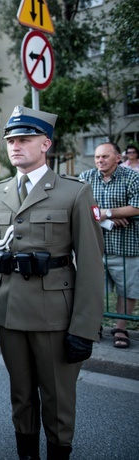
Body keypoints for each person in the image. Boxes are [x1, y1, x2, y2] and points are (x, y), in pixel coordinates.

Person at [0, 106, 104, 459]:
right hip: (7, 314)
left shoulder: (73, 193)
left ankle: (58, 452)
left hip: (55, 315)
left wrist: (84, 328)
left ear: (45, 143)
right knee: (20, 394)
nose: (15, 146)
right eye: (10, 140)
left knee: (57, 396)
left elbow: (92, 265)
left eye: (24, 139)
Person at [79, 142, 139, 349]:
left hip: (126, 246)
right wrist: (106, 217)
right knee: (93, 289)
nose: (100, 161)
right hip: (94, 246)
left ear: (118, 158)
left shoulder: (132, 177)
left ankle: (120, 328)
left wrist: (107, 212)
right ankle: (95, 325)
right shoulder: (85, 178)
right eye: (97, 157)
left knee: (127, 290)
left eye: (105, 156)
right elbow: (78, 207)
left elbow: (137, 206)